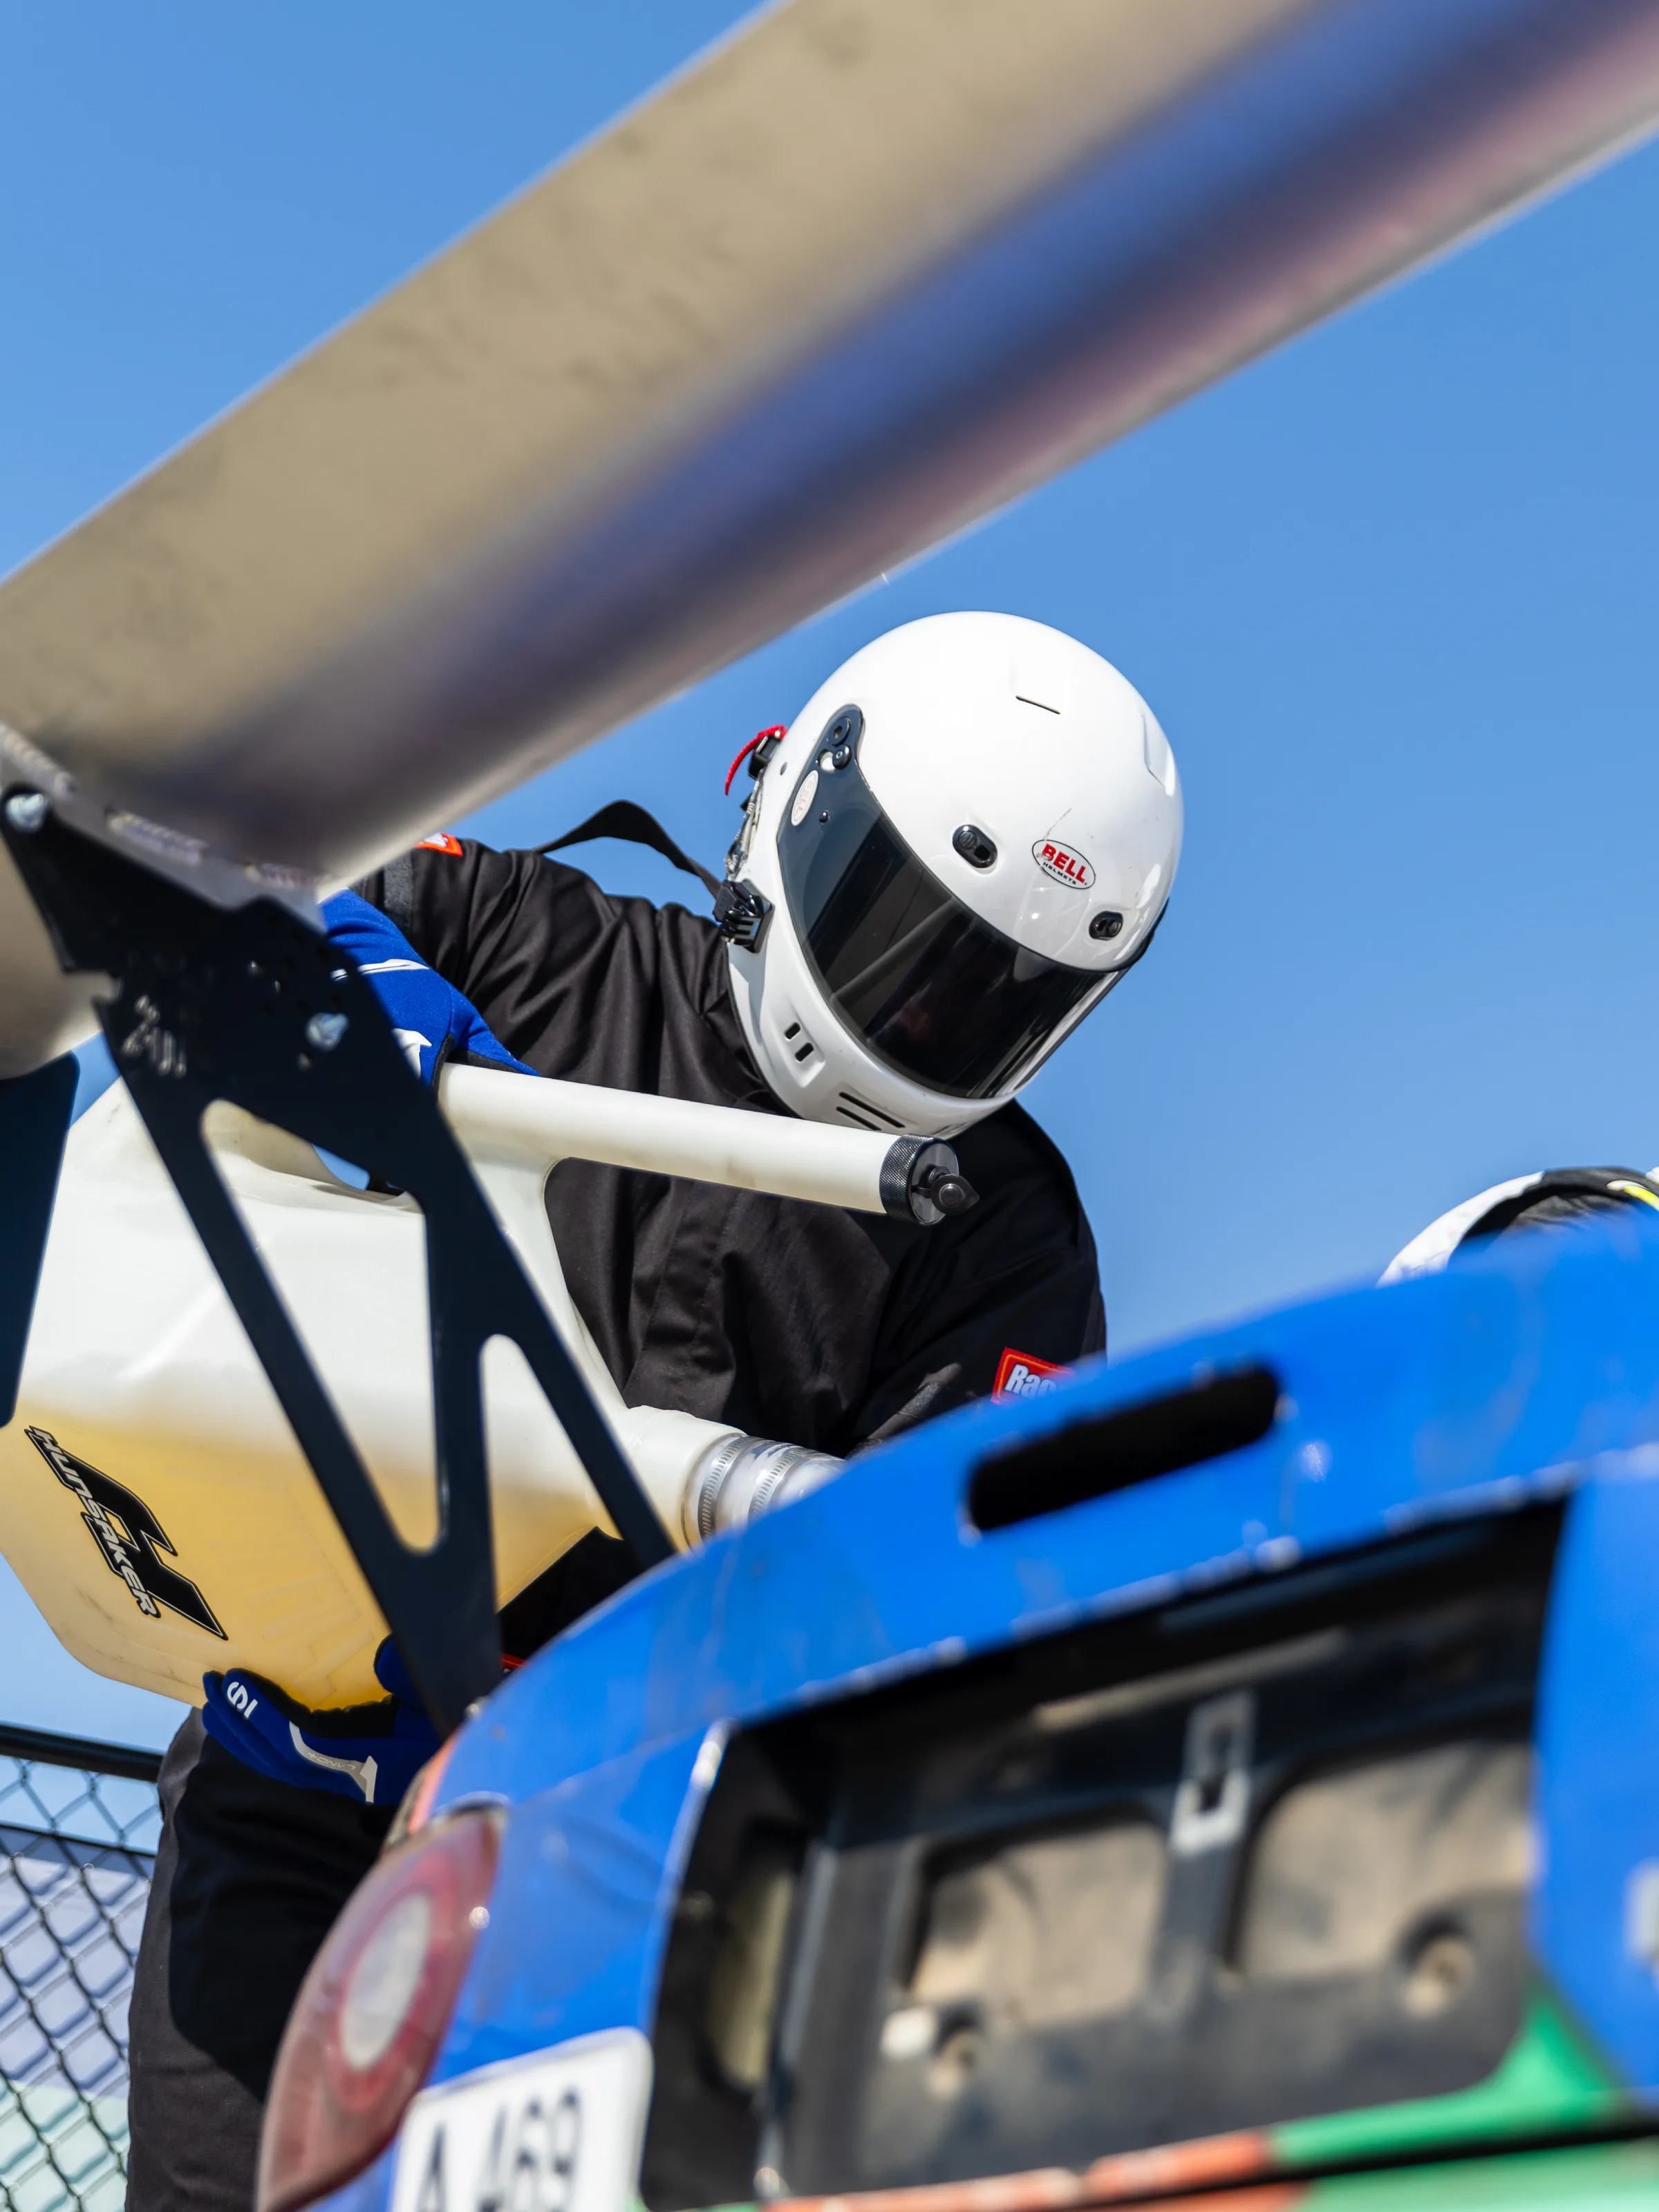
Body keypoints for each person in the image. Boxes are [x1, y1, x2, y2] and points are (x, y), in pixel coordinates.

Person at [125, 610, 1183, 2211]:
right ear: (791, 809)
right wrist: (331, 990)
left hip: (615, 1869)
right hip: (292, 1773)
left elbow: (933, 1584)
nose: (915, 1015)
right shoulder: (530, 930)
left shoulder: (1003, 1228)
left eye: (986, 993)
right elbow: (226, 895)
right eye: (897, 933)